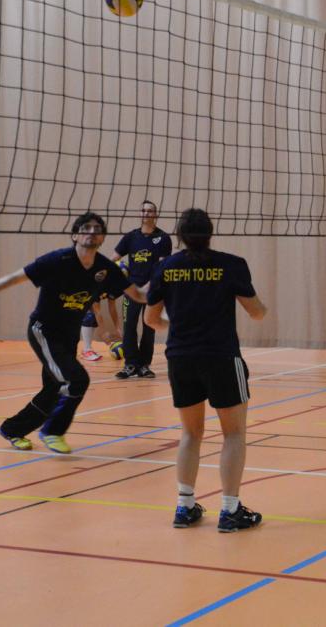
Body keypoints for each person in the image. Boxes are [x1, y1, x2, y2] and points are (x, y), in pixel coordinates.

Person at [0, 212, 144, 454]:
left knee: (53, 389)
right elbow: (14, 278)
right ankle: (53, 431)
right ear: (75, 235)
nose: (91, 232)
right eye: (86, 228)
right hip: (44, 330)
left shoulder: (106, 268)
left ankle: (12, 429)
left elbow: (139, 295)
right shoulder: (57, 260)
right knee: (77, 380)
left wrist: (165, 284)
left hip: (69, 335)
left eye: (97, 229)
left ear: (103, 238)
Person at [143, 208, 268, 532]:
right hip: (220, 356)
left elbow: (151, 319)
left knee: (190, 433)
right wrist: (262, 308)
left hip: (180, 358)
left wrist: (179, 327)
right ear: (210, 233)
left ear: (180, 236)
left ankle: (185, 507)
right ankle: (230, 510)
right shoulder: (231, 264)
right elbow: (256, 313)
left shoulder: (166, 267)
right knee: (234, 434)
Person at [113, 200, 172, 379]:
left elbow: (162, 266)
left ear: (155, 214)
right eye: (143, 210)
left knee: (149, 326)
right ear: (140, 214)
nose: (146, 213)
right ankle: (130, 365)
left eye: (150, 211)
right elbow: (113, 259)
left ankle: (144, 365)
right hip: (132, 290)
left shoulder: (163, 238)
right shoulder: (131, 237)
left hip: (153, 290)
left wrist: (149, 286)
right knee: (129, 326)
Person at [80, 296, 120, 362]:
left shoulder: (113, 291)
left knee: (93, 317)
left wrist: (118, 328)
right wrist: (102, 331)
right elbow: (97, 310)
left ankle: (87, 349)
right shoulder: (97, 291)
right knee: (89, 316)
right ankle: (86, 350)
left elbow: (112, 308)